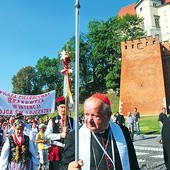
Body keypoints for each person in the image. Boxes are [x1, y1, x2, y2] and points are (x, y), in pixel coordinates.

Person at [59, 93, 139, 170]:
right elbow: (63, 166)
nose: (89, 120)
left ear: (108, 116)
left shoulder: (122, 131)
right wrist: (69, 167)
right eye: (86, 114)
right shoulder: (75, 136)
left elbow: (132, 162)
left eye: (95, 116)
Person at [45, 96, 74, 170]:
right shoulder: (52, 121)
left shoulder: (72, 121)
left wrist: (69, 132)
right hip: (56, 151)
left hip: (69, 150)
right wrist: (60, 135)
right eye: (62, 107)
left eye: (65, 107)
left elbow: (76, 133)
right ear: (58, 108)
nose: (64, 109)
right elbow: (47, 135)